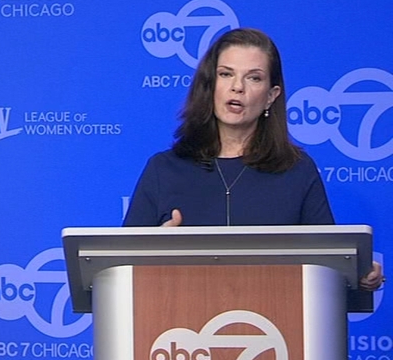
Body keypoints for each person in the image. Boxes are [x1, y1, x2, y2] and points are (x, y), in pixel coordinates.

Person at [123, 27, 383, 291]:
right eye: (226, 74)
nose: (237, 87)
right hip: (180, 312)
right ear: (209, 85)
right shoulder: (164, 169)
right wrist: (154, 252)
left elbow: (331, 264)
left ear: (271, 96)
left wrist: (360, 274)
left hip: (276, 313)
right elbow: (120, 267)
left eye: (254, 78)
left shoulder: (297, 170)